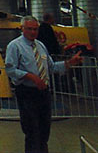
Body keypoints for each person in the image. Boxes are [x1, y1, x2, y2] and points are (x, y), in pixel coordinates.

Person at [5, 15, 82, 153]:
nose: (33, 32)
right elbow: (10, 69)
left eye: (35, 29)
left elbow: (51, 67)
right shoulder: (14, 46)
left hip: (44, 93)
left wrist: (69, 63)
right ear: (22, 29)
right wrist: (30, 77)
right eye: (29, 29)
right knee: (32, 131)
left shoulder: (40, 46)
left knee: (44, 131)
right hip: (27, 93)